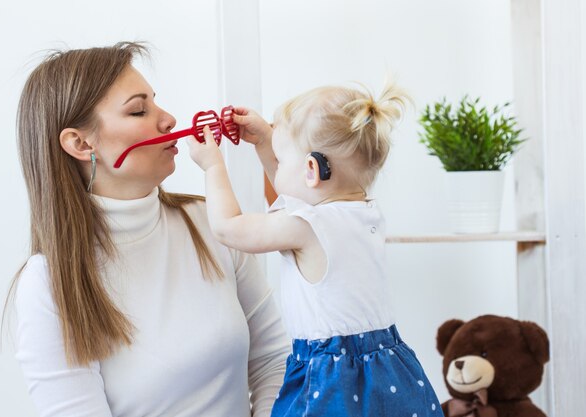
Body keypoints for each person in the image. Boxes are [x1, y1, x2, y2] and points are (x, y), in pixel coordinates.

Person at [9, 42, 288, 417]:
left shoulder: (211, 223)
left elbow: (274, 360)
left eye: (156, 102)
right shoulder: (47, 284)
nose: (169, 119)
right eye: (139, 110)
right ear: (79, 143)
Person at [187, 82, 444, 416]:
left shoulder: (306, 227)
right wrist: (267, 142)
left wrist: (212, 166)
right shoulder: (365, 213)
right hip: (387, 369)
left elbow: (229, 227)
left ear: (311, 169)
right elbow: (295, 198)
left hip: (332, 378)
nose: (275, 166)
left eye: (279, 160)